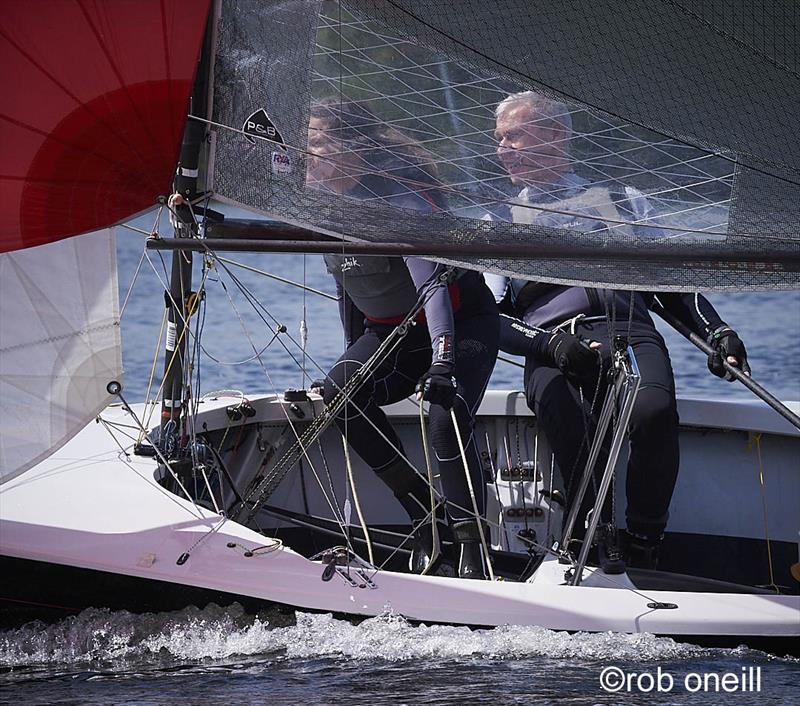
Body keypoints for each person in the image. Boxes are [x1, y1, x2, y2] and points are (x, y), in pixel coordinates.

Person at [486, 91, 750, 570]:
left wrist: (718, 331)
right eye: (499, 139)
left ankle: (645, 541)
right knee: (568, 414)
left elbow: (671, 284)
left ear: (556, 135)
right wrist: (550, 345)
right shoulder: (496, 220)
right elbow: (489, 316)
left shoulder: (625, 203)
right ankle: (590, 533)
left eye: (515, 136)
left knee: (652, 409)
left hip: (628, 327)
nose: (503, 150)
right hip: (551, 344)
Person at [307, 98, 499, 579]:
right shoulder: (319, 207)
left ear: (350, 149)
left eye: (315, 142)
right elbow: (350, 288)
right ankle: (425, 516)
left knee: (443, 418)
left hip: (458, 323)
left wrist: (443, 362)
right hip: (390, 333)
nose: (304, 154)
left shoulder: (400, 201)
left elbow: (433, 286)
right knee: (340, 397)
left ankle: (473, 551)